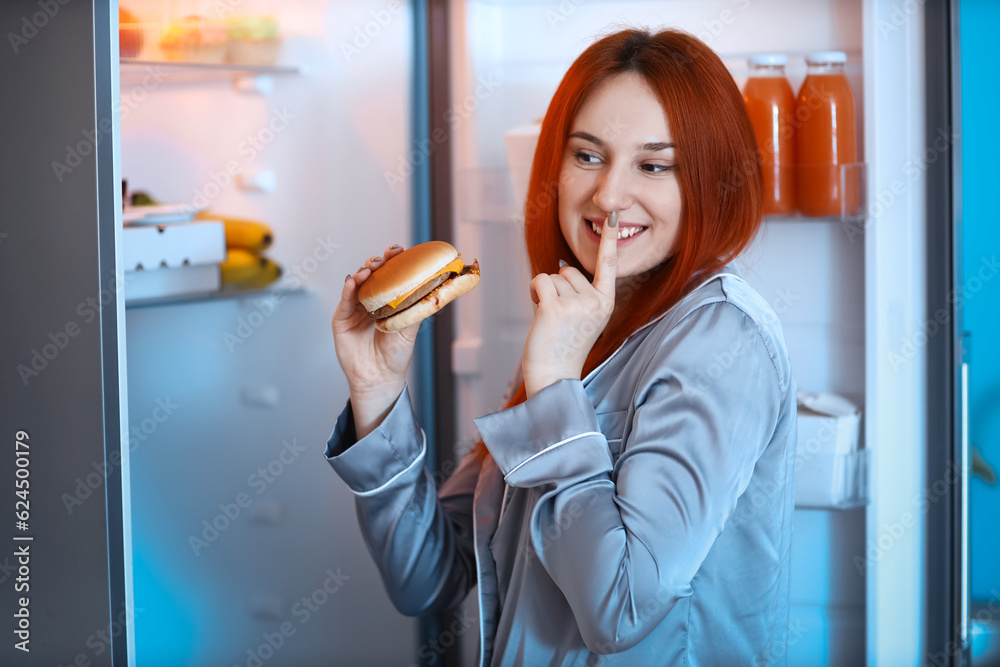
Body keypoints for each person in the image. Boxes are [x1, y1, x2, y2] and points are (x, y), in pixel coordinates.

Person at [326, 28, 797, 666]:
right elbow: (427, 579)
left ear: (712, 180)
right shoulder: (585, 323)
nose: (607, 195)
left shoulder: (721, 338)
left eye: (654, 165)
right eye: (587, 155)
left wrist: (553, 383)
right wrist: (376, 394)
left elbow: (620, 610)